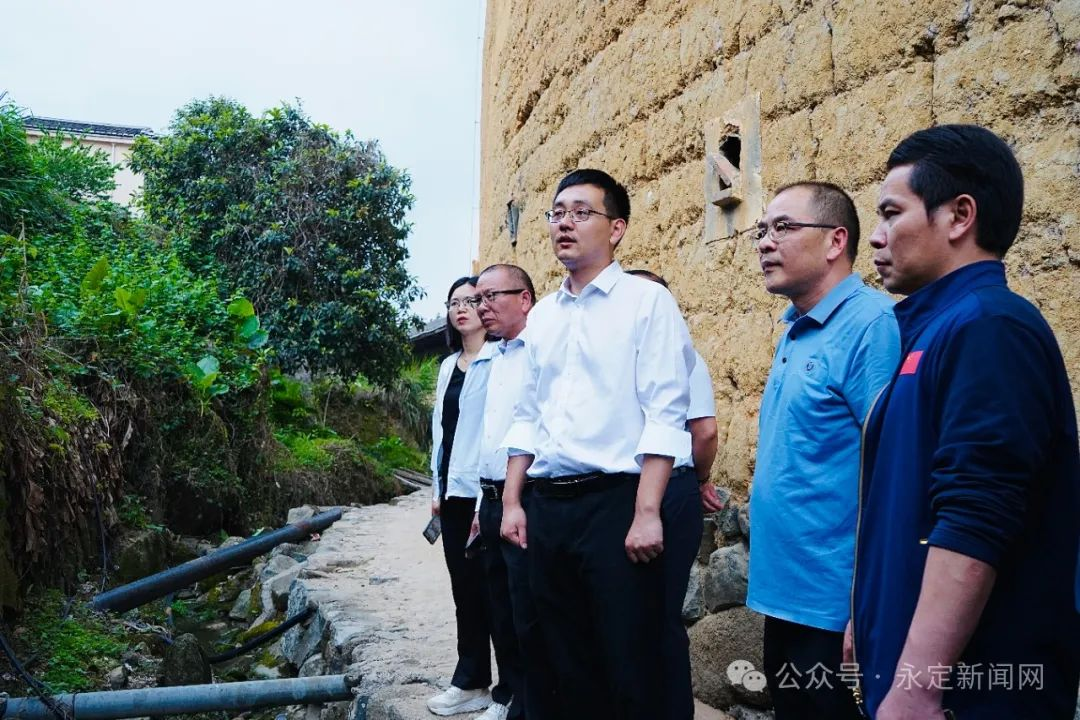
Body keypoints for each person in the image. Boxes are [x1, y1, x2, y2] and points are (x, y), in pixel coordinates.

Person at [848, 124, 1080, 719]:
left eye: (891, 213)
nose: (876, 236)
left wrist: (919, 687)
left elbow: (978, 511)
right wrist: (865, 616)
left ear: (959, 216)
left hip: (969, 696)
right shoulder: (933, 329)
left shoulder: (989, 328)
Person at [500, 169, 696, 719]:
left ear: (616, 228)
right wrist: (513, 502)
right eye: (557, 212)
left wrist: (647, 511)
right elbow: (528, 414)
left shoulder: (646, 302)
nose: (564, 223)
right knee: (562, 657)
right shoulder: (542, 316)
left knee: (629, 658)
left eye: (581, 212)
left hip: (616, 503)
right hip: (549, 506)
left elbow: (666, 412)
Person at [745, 181, 901, 719]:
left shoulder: (870, 325)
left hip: (836, 607)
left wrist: (867, 606)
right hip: (786, 593)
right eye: (761, 230)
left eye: (783, 227)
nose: (765, 242)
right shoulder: (795, 328)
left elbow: (890, 474)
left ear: (836, 241)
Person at [626, 268, 721, 719]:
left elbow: (705, 432)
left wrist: (698, 480)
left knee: (660, 616)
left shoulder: (684, 357)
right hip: (638, 488)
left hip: (666, 489)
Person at [473, 263, 558, 720]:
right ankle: (508, 697)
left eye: (491, 297)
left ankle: (531, 704)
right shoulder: (496, 357)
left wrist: (511, 500)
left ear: (524, 299)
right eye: (478, 299)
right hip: (490, 499)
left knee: (529, 609)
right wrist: (480, 504)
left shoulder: (541, 351)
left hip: (524, 498)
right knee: (499, 607)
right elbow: (490, 437)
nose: (482, 307)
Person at [427, 277, 501, 718]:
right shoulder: (447, 366)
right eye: (454, 302)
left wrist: (480, 505)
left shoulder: (499, 359)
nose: (462, 308)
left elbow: (493, 434)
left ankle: (509, 691)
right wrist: (436, 489)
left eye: (471, 300)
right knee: (465, 592)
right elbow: (440, 430)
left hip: (485, 493)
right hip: (452, 493)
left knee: (495, 592)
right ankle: (471, 681)